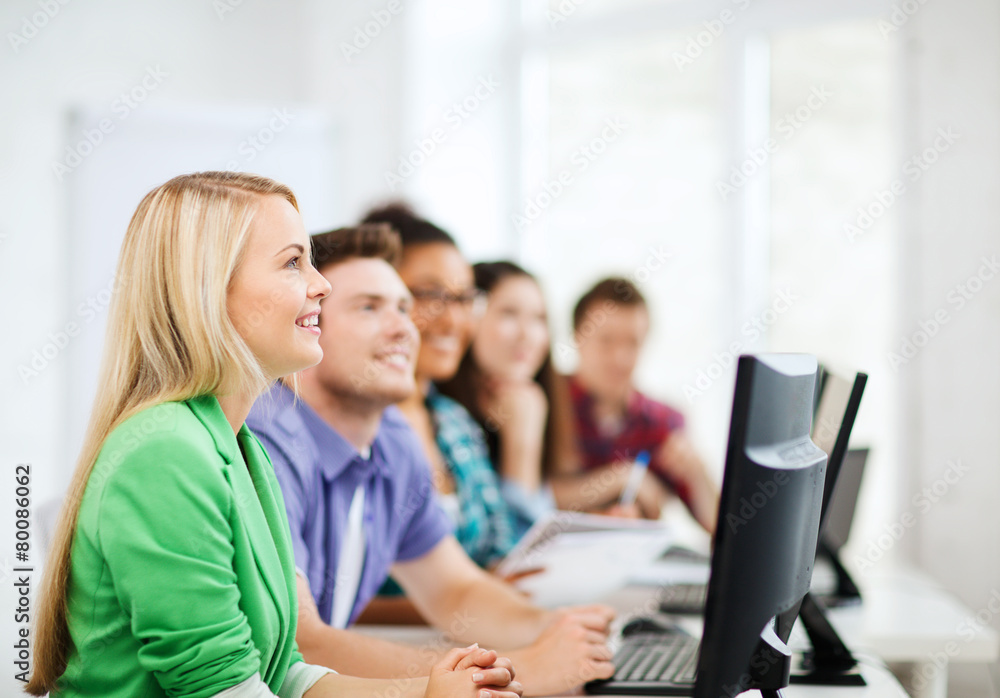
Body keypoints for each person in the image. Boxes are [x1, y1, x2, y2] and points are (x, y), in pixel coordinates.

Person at [25, 172, 519, 698]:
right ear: (209, 288)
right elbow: (226, 690)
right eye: (292, 263)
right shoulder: (165, 451)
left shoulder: (241, 448)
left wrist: (426, 692)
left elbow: (281, 673)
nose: (321, 285)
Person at [247, 225, 615, 698]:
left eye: (403, 306)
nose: (405, 327)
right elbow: (298, 645)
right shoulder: (265, 435)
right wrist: (521, 668)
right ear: (309, 321)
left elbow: (456, 590)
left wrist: (554, 628)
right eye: (369, 307)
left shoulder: (393, 438)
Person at [363, 203, 517, 569]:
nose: (452, 320)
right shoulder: (351, 428)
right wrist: (483, 598)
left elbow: (501, 550)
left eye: (464, 298)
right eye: (431, 296)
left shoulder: (455, 422)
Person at [564, 277, 719, 532]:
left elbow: (721, 528)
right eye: (607, 341)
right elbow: (527, 496)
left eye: (632, 343)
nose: (621, 357)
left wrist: (697, 473)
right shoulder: (546, 407)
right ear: (578, 338)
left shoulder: (663, 423)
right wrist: (619, 478)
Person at [437, 261, 570, 534]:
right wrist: (521, 445)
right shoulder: (440, 418)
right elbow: (517, 549)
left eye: (539, 319)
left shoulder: (528, 402)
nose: (527, 334)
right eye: (509, 314)